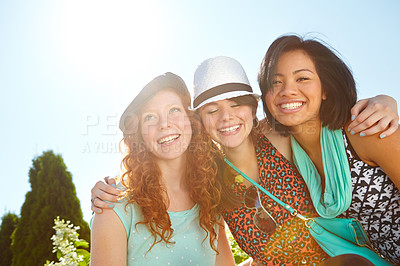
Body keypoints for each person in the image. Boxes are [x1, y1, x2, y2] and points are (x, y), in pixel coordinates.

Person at [91, 57, 399, 265]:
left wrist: (384, 102)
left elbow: (329, 116)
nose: (227, 118)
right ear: (200, 121)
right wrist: (107, 190)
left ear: (253, 109)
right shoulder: (211, 181)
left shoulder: (282, 136)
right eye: (212, 110)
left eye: (237, 104)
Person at [257, 34, 400, 264]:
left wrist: (387, 99)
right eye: (275, 82)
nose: (287, 91)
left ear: (326, 89)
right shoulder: (289, 156)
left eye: (302, 78)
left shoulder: (364, 130)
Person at [90, 72, 235, 266]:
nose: (165, 124)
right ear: (139, 133)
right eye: (150, 117)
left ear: (190, 120)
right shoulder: (114, 205)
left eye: (174, 110)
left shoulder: (208, 201)